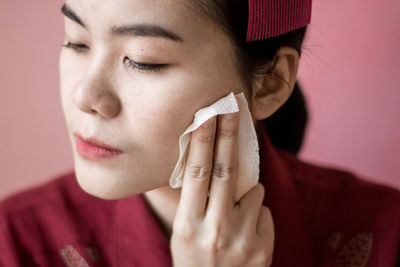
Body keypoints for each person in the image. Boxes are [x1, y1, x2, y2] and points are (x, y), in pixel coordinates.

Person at [1, 0, 399, 266]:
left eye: (143, 61)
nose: (84, 95)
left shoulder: (387, 237)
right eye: (76, 43)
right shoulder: (17, 241)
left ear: (270, 84)